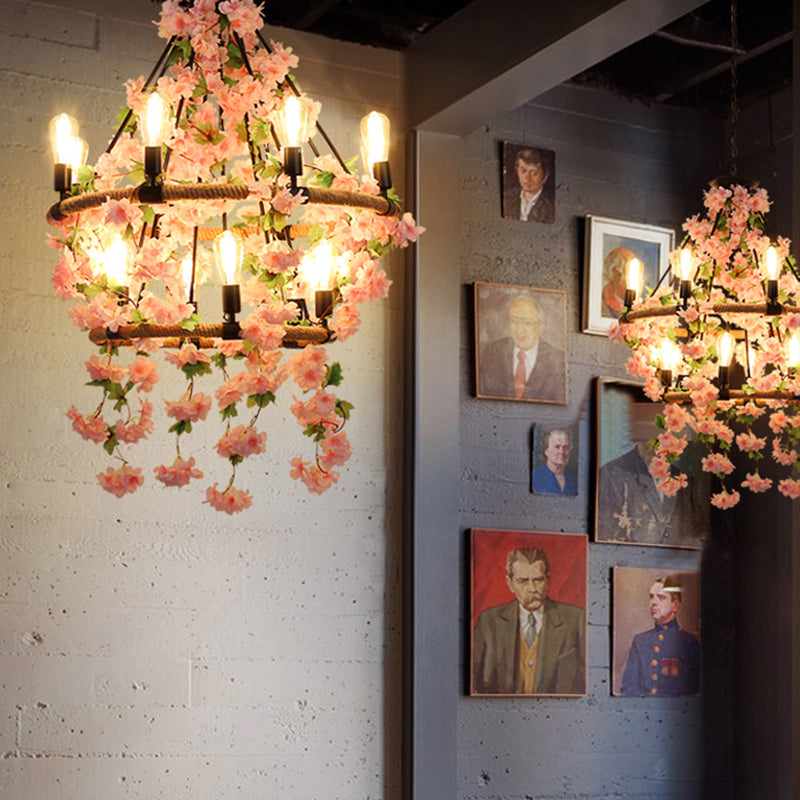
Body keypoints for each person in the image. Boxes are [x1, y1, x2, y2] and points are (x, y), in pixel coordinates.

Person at [472, 547, 585, 695]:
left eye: (538, 580)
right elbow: (471, 680)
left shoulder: (576, 620)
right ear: (510, 583)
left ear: (548, 580)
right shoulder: (489, 621)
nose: (532, 588)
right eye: (523, 581)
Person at [596, 402, 708, 546]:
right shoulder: (612, 475)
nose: (657, 445)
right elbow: (606, 536)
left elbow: (699, 532)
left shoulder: (685, 482)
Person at [620, 576, 700, 696]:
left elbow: (693, 689)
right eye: (651, 597)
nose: (653, 602)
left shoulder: (689, 642)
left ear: (675, 605)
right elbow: (629, 687)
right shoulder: (640, 641)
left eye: (661, 597)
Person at [478, 294, 566, 403]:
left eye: (527, 323)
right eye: (514, 321)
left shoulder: (558, 359)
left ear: (540, 327)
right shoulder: (492, 352)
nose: (519, 329)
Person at [502, 147, 555, 223]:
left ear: (545, 177)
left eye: (534, 173)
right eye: (523, 171)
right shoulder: (507, 197)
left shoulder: (550, 207)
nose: (527, 178)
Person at [532, 428, 577, 495]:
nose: (561, 452)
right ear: (546, 450)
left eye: (566, 447)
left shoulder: (575, 480)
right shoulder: (534, 478)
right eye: (557, 447)